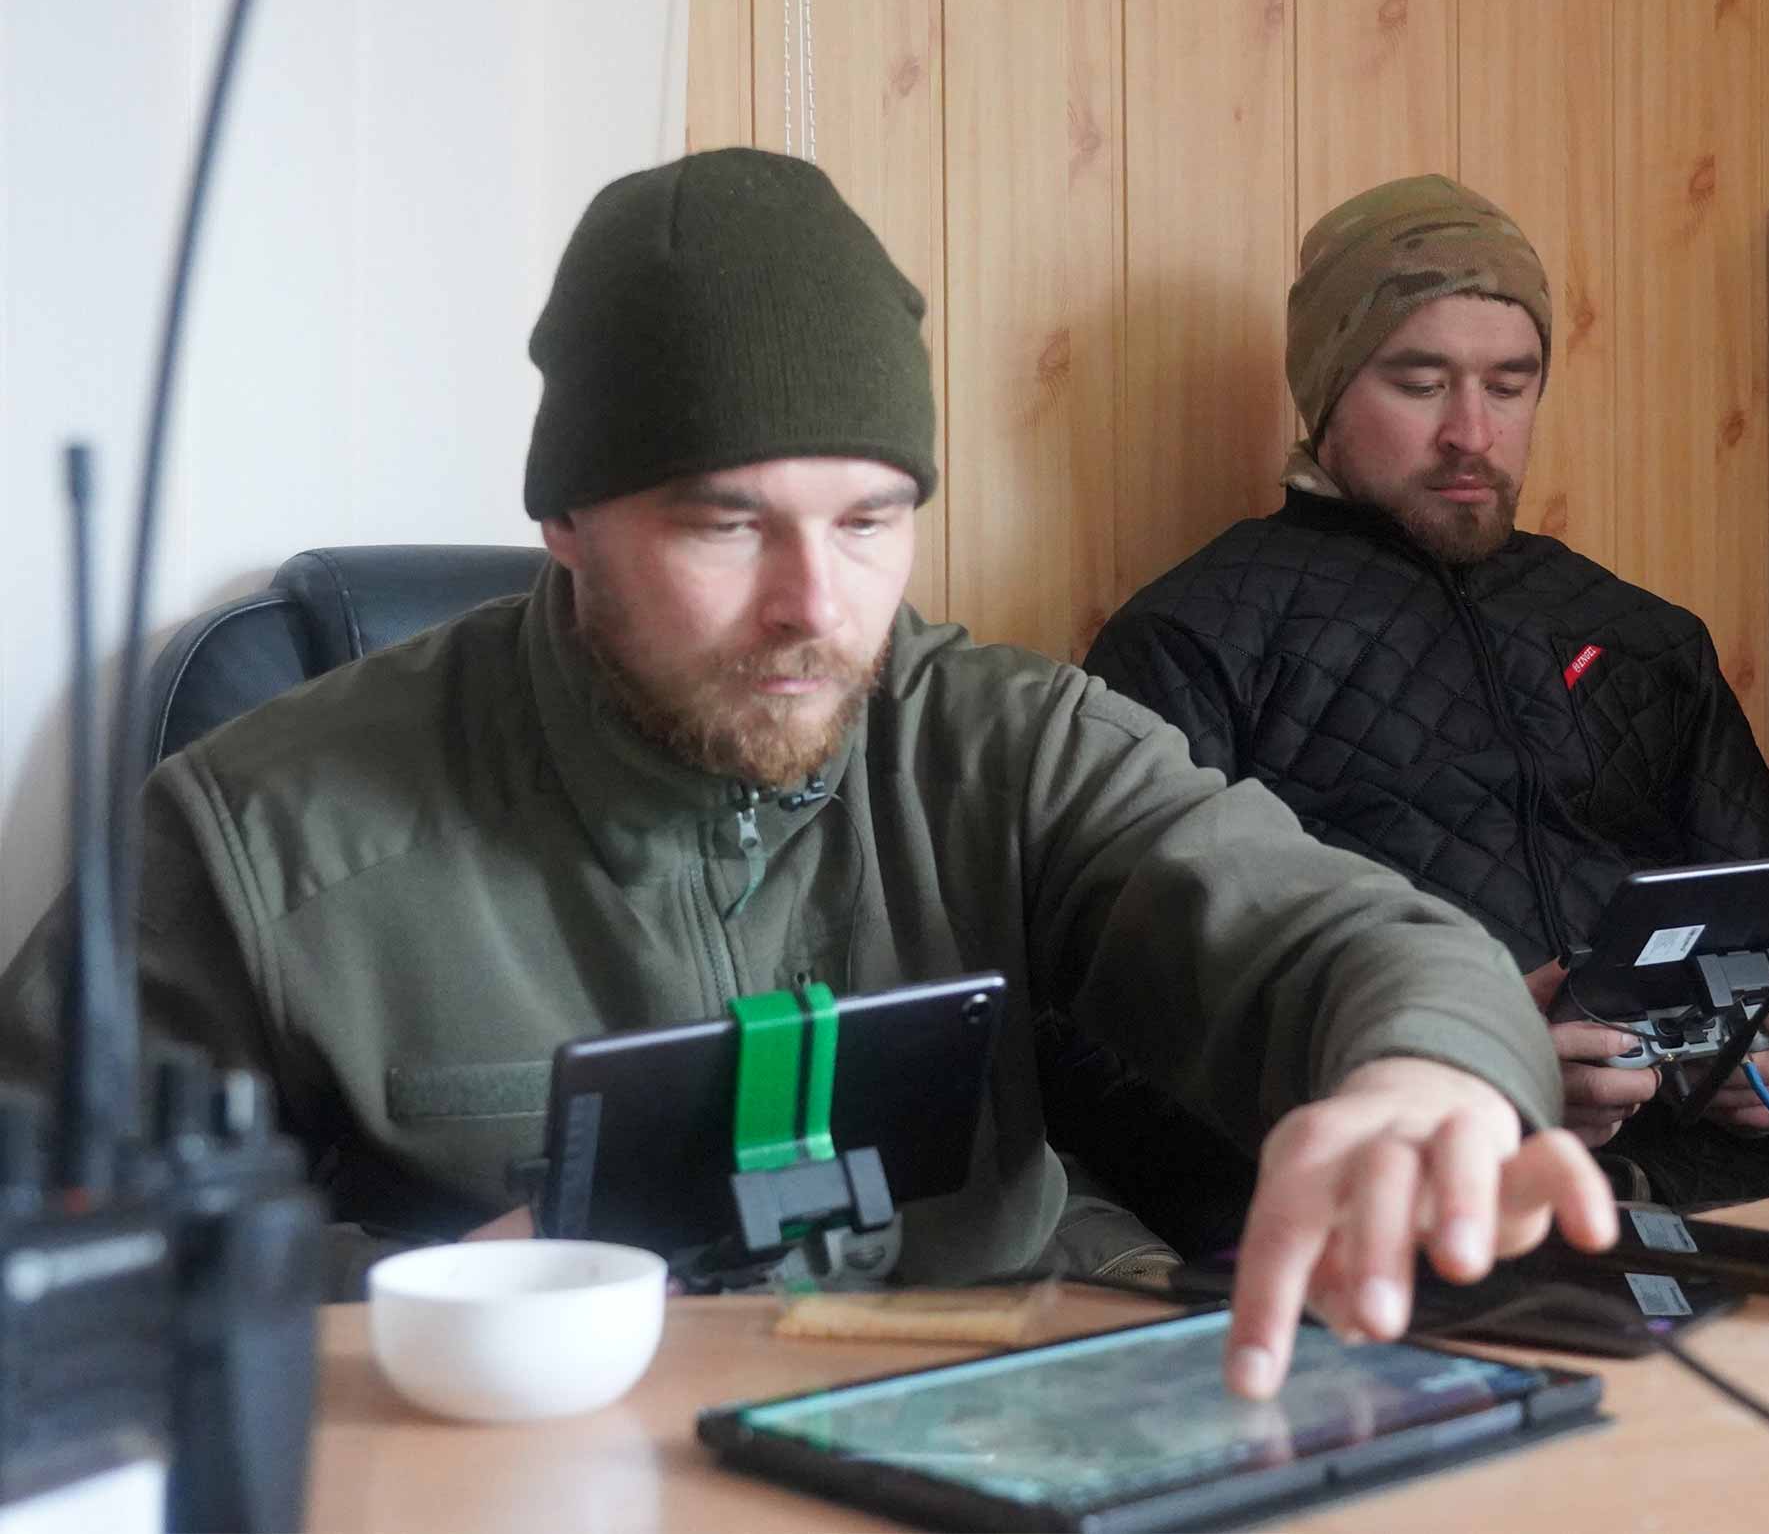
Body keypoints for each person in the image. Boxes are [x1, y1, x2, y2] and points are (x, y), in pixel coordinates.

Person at [0, 149, 1612, 1400]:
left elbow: (1370, 940)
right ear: (563, 521)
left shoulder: (999, 735)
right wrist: (401, 1293)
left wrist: (1428, 1079)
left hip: (994, 1419)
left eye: (867, 519)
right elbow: (42, 1244)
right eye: (723, 521)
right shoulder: (263, 828)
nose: (815, 606)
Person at [1083, 175, 1769, 1212]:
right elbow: (1110, 1050)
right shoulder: (1195, 639)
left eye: (1510, 384)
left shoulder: (1641, 635)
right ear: (1325, 387)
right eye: (1420, 383)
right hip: (1407, 1226)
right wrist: (1474, 1067)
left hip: (1718, 1209)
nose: (1472, 432)